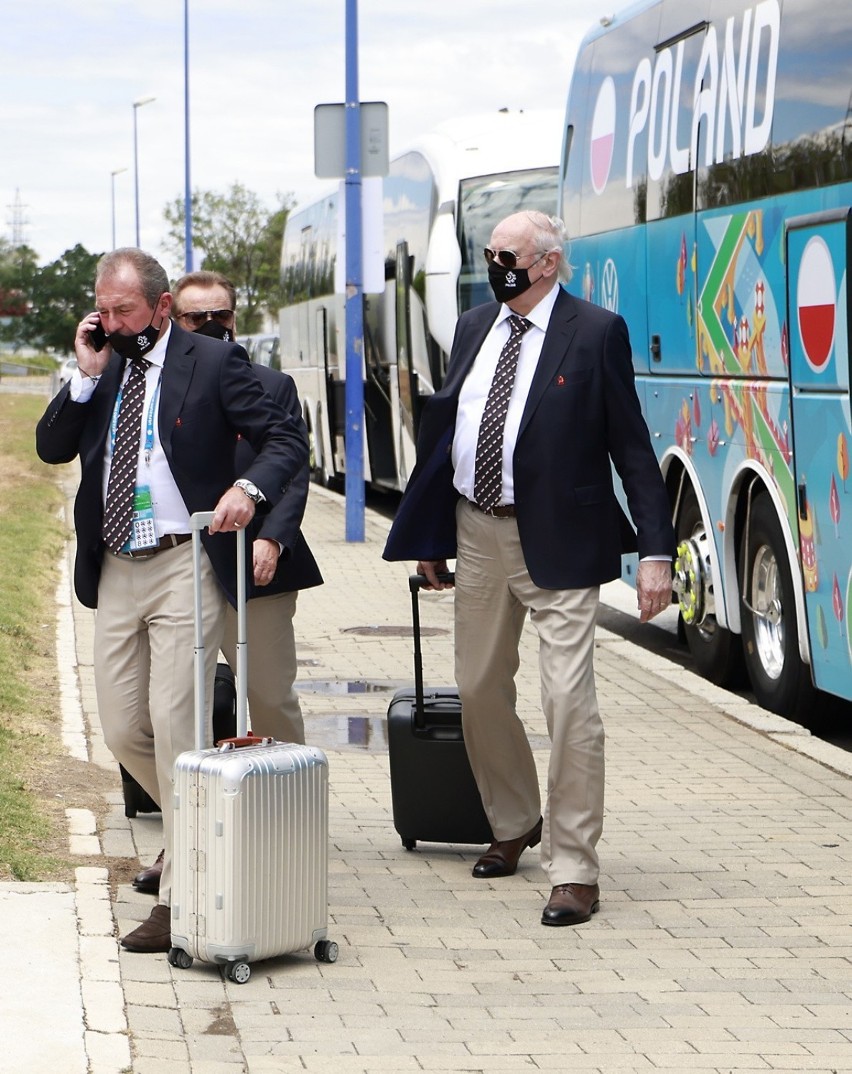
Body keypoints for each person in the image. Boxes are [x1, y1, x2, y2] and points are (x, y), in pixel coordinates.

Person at [384, 211, 675, 927]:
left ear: (546, 263)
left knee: (569, 702)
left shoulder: (596, 331)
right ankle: (513, 821)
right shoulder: (475, 326)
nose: (494, 263)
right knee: (480, 689)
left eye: (506, 254)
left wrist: (657, 553)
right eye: (489, 253)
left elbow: (632, 449)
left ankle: (574, 867)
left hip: (562, 542)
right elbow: (448, 431)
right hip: (475, 531)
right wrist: (432, 532)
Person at [36, 248, 308, 953]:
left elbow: (283, 439)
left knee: (176, 719)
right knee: (125, 727)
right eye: (104, 308)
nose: (111, 321)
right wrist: (85, 375)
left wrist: (248, 491)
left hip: (184, 561)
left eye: (125, 310)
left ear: (159, 307)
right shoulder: (105, 366)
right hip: (116, 563)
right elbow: (51, 447)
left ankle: (184, 895)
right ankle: (216, 829)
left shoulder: (210, 363)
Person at [129, 271, 324, 899]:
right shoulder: (154, 387)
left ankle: (290, 819)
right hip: (182, 572)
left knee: (267, 694)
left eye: (223, 315)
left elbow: (292, 471)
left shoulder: (272, 385)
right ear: (172, 320)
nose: (212, 326)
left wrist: (274, 536)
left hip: (256, 566)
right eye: (195, 317)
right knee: (172, 708)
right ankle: (187, 834)